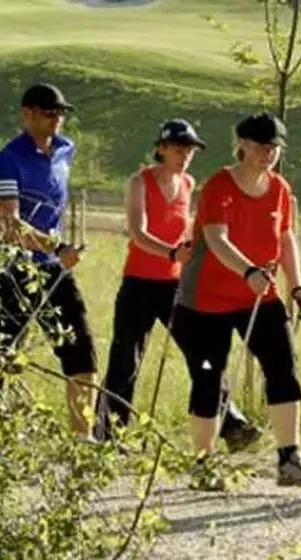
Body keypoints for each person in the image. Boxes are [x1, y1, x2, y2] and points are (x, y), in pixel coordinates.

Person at [94, 118, 263, 452]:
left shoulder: (188, 183)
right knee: (126, 358)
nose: (184, 155)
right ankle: (110, 435)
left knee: (201, 353)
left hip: (176, 285)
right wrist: (171, 252)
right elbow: (137, 232)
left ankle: (231, 423)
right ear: (161, 149)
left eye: (190, 150)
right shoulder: (139, 182)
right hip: (139, 283)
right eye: (177, 148)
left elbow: (188, 230)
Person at [176, 111, 301, 489]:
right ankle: (204, 464)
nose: (268, 154)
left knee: (283, 368)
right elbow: (215, 238)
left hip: (262, 296)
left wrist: (297, 285)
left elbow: (286, 240)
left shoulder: (280, 190)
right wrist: (248, 271)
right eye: (261, 146)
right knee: (209, 379)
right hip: (206, 302)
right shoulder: (218, 186)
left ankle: (290, 458)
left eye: (274, 147)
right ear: (242, 143)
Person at [0, 83, 99, 440]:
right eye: (48, 112)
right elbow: (10, 225)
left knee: (81, 349)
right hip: (14, 269)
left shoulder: (66, 149)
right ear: (26, 114)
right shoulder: (8, 158)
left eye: (61, 113)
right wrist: (56, 247)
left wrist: (59, 253)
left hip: (54, 269)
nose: (57, 119)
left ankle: (81, 441)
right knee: (6, 355)